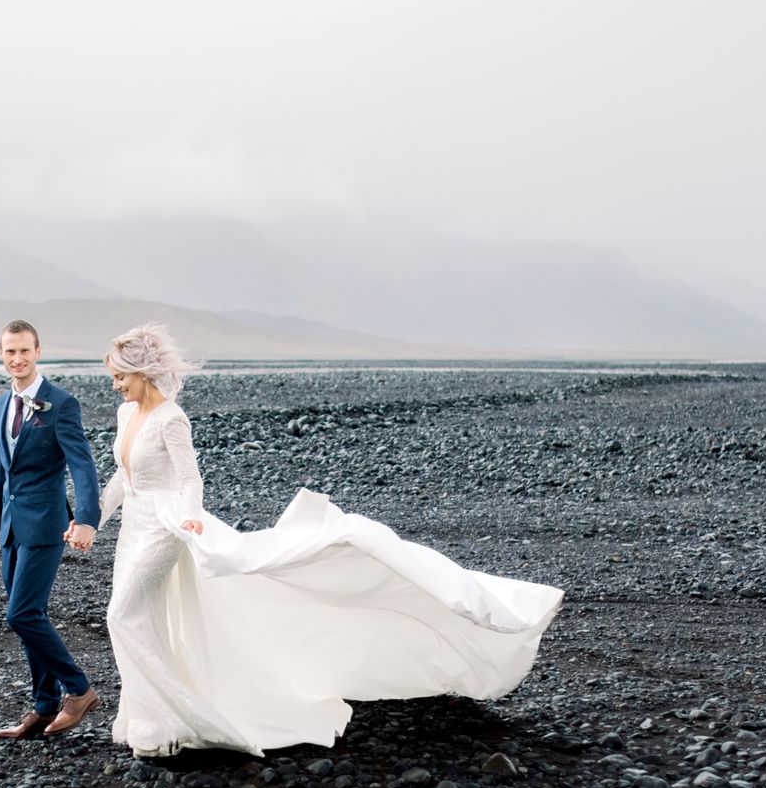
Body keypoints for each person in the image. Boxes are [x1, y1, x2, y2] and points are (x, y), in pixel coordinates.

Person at [96, 323, 564, 758]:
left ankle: (181, 713)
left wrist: (193, 518)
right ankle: (152, 722)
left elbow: (189, 479)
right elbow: (123, 475)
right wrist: (91, 519)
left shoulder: (171, 419)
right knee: (147, 617)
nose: (115, 384)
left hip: (166, 527)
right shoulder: (126, 413)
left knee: (122, 615)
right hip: (132, 527)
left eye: (120, 376)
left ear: (143, 372)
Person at [0, 320, 103, 739]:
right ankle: (44, 707)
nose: (17, 359)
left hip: (48, 525)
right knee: (30, 618)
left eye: (24, 351)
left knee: (22, 614)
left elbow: (82, 464)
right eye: (9, 352)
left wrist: (86, 518)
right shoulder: (0, 403)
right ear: (1, 354)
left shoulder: (60, 403)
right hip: (10, 529)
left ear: (37, 351)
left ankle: (79, 690)